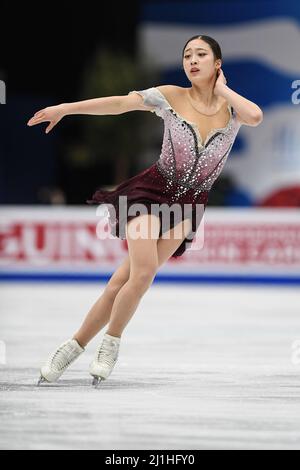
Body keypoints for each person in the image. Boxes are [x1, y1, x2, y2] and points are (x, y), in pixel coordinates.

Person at [27, 35, 263, 387]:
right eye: (187, 55)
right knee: (143, 272)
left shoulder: (234, 110)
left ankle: (73, 346)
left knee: (122, 282)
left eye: (201, 55)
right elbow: (120, 104)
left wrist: (223, 90)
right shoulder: (170, 96)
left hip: (188, 207)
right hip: (149, 194)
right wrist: (67, 107)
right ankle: (111, 343)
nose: (192, 60)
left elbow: (256, 116)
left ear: (217, 64)